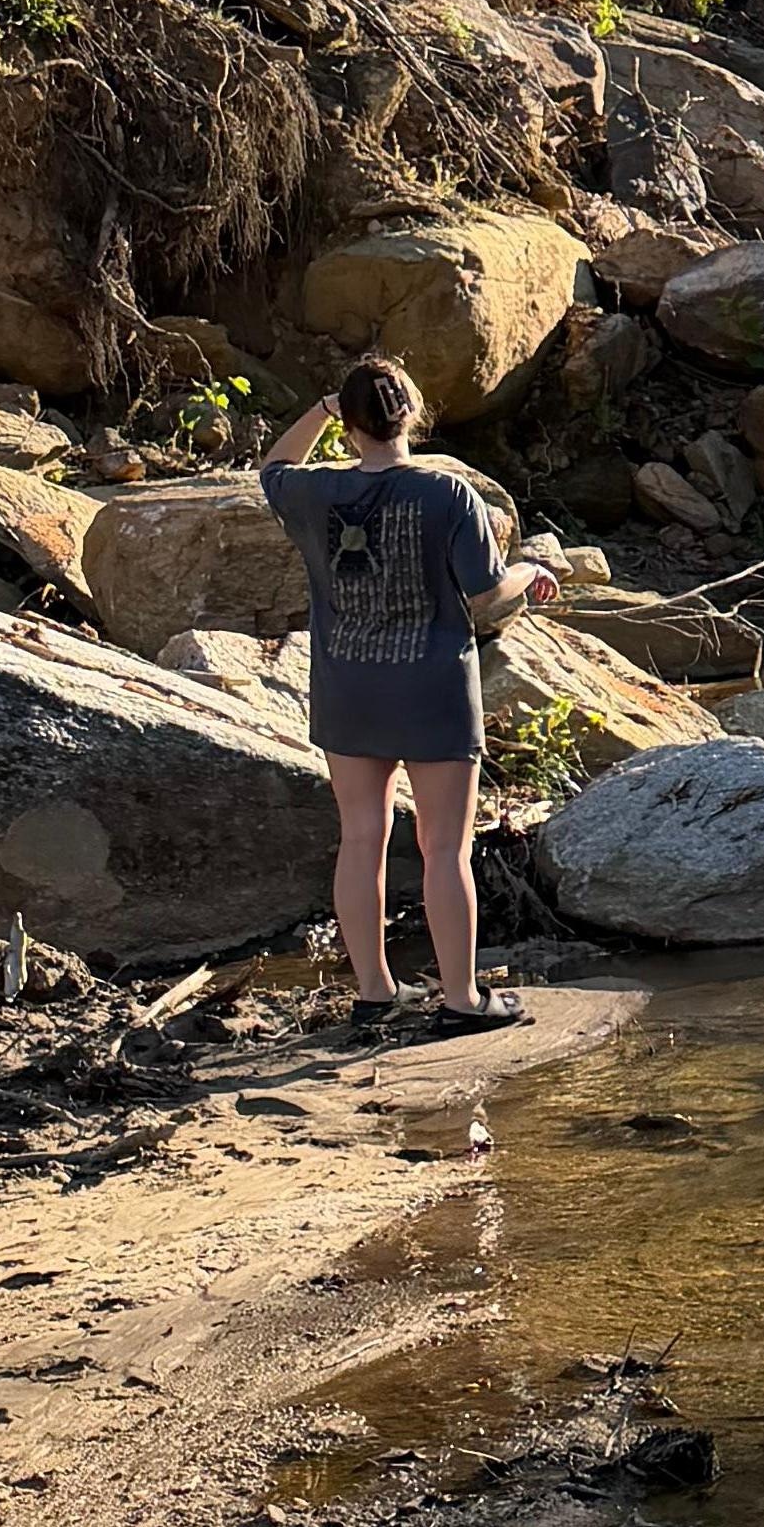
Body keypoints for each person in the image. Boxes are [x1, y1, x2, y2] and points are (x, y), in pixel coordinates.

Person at [257, 357, 560, 1039]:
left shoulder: (315, 493)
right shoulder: (449, 495)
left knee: (361, 837)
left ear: (350, 424)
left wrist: (323, 407)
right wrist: (531, 572)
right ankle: (462, 998)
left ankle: (374, 991)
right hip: (433, 690)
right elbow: (486, 597)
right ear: (414, 413)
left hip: (349, 687)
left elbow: (271, 467)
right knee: (444, 849)